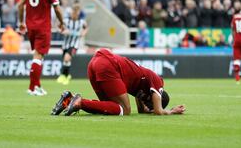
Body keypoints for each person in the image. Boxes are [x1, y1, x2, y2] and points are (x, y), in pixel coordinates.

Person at [51, 48, 186, 116]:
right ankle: (80, 102)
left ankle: (69, 100)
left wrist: (147, 109)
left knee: (109, 107)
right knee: (125, 110)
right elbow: (158, 110)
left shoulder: (142, 89)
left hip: (95, 62)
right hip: (109, 65)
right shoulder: (158, 81)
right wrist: (171, 111)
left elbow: (141, 110)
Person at [18, 0, 65, 96]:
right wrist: (62, 23)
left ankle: (37, 85)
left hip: (30, 26)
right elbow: (56, 8)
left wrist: (21, 22)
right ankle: (32, 88)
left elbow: (20, 5)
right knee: (38, 56)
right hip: (43, 26)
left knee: (39, 55)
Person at [56, 3, 88, 85]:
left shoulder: (81, 22)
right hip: (65, 44)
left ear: (78, 13)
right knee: (66, 60)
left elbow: (86, 28)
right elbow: (59, 27)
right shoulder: (66, 21)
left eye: (76, 13)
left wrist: (83, 33)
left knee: (67, 58)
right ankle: (66, 76)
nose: (74, 14)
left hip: (75, 44)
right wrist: (62, 31)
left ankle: (64, 75)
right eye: (73, 12)